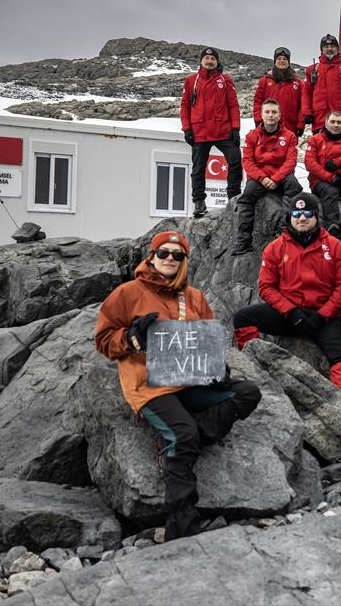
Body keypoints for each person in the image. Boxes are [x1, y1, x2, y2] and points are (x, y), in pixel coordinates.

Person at [94, 230, 261, 540]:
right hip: (151, 387)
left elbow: (208, 339)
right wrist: (131, 338)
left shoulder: (194, 296)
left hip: (191, 383)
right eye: (163, 253)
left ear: (184, 260)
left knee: (247, 393)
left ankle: (190, 437)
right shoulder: (127, 293)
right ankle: (182, 526)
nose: (170, 258)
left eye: (177, 254)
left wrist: (217, 369)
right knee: (184, 435)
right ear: (151, 256)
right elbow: (103, 340)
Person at [231, 193, 341, 398]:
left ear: (316, 216)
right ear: (289, 217)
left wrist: (323, 315)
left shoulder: (335, 246)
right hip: (288, 315)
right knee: (242, 317)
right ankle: (253, 369)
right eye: (296, 214)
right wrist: (291, 312)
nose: (302, 218)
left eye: (308, 213)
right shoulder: (275, 248)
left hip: (323, 318)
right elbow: (266, 287)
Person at [233, 100, 303, 255]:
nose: (270, 115)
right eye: (267, 112)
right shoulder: (251, 136)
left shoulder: (290, 136)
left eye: (274, 112)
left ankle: (286, 233)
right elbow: (247, 161)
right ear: (261, 115)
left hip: (282, 176)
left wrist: (276, 179)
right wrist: (263, 178)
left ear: (279, 115)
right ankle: (243, 242)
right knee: (246, 197)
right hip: (259, 177)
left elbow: (290, 161)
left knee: (294, 186)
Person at [180, 47, 241, 217]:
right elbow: (185, 106)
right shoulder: (191, 80)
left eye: (213, 58)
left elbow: (233, 105)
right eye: (206, 58)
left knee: (236, 161)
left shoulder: (225, 80)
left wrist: (235, 128)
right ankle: (199, 203)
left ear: (217, 61)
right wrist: (187, 128)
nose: (209, 61)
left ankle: (234, 198)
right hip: (200, 132)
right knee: (198, 169)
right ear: (201, 61)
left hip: (223, 131)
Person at [305, 111, 341, 233]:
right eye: (332, 122)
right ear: (326, 123)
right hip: (320, 182)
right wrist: (330, 178)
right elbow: (310, 163)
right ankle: (332, 224)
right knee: (330, 191)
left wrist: (338, 162)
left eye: (339, 122)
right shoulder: (315, 140)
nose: (336, 125)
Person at [304, 34, 341, 132]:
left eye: (332, 46)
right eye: (326, 46)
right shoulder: (312, 70)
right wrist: (307, 113)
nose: (329, 49)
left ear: (337, 49)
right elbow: (306, 93)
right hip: (320, 119)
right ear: (322, 50)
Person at [251, 47, 307, 135]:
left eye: (285, 59)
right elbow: (258, 102)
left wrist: (301, 124)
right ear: (275, 61)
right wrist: (258, 120)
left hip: (290, 127)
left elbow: (302, 105)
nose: (282, 61)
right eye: (279, 59)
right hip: (268, 126)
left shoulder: (298, 83)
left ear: (288, 62)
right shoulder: (264, 81)